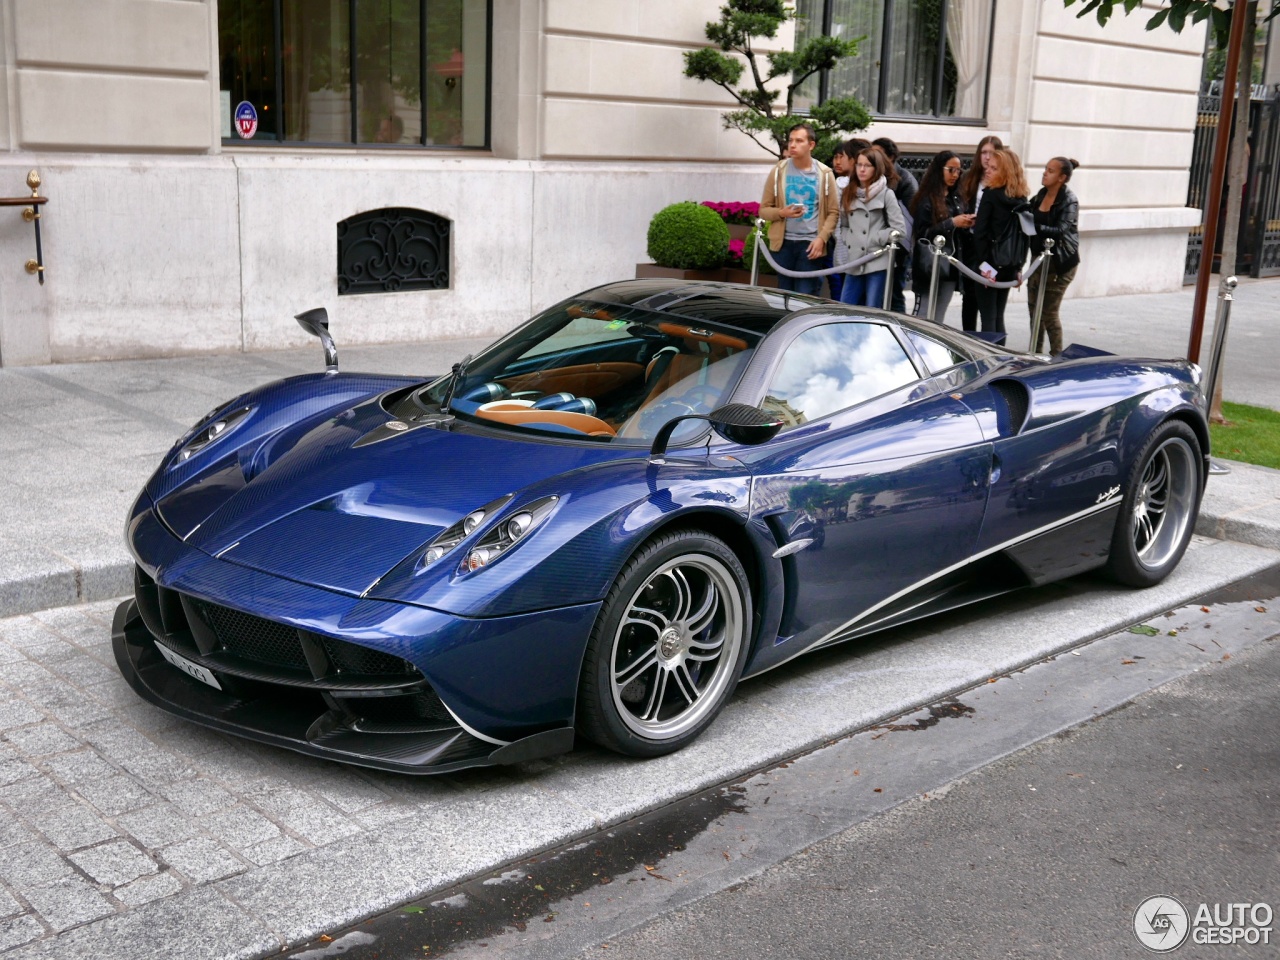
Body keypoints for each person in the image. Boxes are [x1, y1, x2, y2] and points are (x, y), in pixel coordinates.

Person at [760, 123, 840, 295]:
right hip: (783, 245)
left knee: (806, 296)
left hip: (810, 245)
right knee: (783, 296)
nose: (792, 145)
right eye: (790, 141)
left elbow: (833, 212)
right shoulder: (778, 171)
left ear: (811, 145)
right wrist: (782, 213)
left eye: (799, 141)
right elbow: (764, 210)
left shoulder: (825, 174)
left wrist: (822, 239)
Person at [972, 147, 1031, 336]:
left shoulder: (991, 195)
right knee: (998, 317)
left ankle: (991, 361)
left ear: (1005, 172)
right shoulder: (1022, 198)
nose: (987, 170)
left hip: (989, 265)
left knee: (988, 319)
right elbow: (1026, 236)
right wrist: (1018, 267)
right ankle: (1002, 359)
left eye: (994, 168)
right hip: (1009, 266)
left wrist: (984, 266)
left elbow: (980, 233)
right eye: (988, 167)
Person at [909, 151, 973, 324]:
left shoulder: (957, 197)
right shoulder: (926, 198)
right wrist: (952, 223)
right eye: (950, 170)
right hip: (929, 266)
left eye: (959, 170)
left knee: (938, 318)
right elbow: (923, 234)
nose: (955, 175)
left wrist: (967, 223)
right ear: (939, 170)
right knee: (922, 316)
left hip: (951, 265)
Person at [838, 147, 907, 307]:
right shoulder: (848, 192)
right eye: (859, 165)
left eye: (867, 165)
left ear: (876, 168)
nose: (862, 169)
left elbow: (900, 230)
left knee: (872, 311)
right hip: (854, 261)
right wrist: (850, 239)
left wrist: (876, 239)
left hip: (877, 261)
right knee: (845, 308)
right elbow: (844, 225)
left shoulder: (886, 194)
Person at [1027, 157, 1081, 355]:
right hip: (1039, 260)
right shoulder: (1041, 195)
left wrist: (1035, 227)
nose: (1044, 173)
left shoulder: (1069, 200)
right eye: (1045, 168)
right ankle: (1034, 353)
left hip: (1060, 262)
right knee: (1034, 310)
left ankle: (1057, 356)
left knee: (1048, 312)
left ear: (1062, 177)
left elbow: (1061, 229)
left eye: (1050, 171)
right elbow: (1028, 211)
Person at [958, 135, 1005, 332]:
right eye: (984, 152)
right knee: (969, 298)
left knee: (992, 308)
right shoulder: (970, 178)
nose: (987, 158)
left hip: (992, 247)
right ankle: (967, 340)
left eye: (992, 153)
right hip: (970, 241)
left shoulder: (1003, 181)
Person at [874, 138, 919, 313]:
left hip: (897, 247)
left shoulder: (905, 180)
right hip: (876, 244)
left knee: (894, 294)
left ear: (891, 157)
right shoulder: (874, 176)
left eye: (879, 153)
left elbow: (911, 215)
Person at [826, 140, 860, 302]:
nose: (837, 162)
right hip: (837, 246)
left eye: (842, 157)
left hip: (848, 249)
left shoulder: (854, 185)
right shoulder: (835, 182)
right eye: (835, 157)